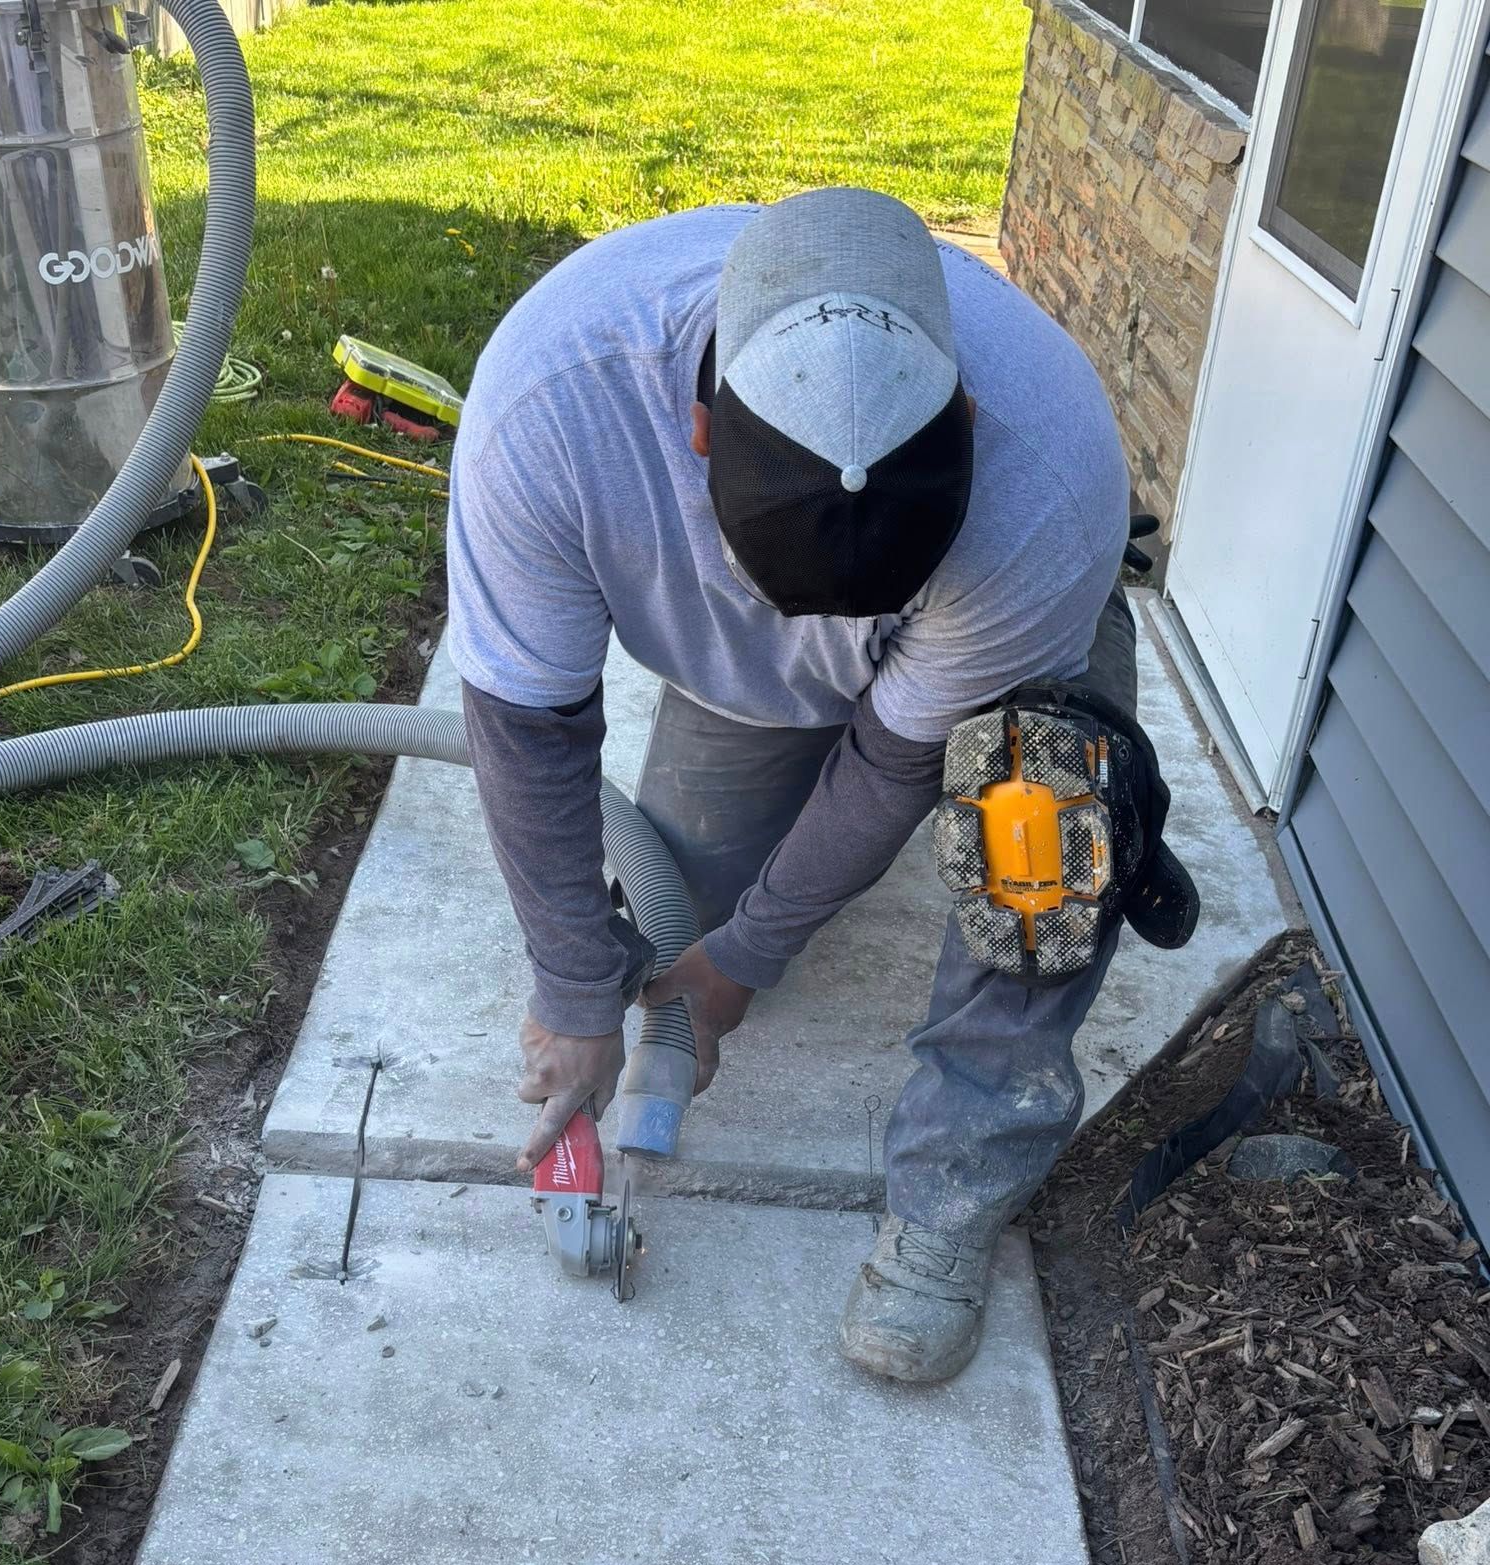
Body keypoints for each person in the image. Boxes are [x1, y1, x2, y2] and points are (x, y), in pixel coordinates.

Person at [448, 186, 1194, 1384]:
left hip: (995, 664)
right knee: (673, 929)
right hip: (747, 686)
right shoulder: (553, 407)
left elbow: (894, 760)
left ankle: (952, 1189)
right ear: (698, 434)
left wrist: (750, 957)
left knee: (1043, 827)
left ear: (965, 421)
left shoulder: (1044, 475)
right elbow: (527, 727)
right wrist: (576, 991)